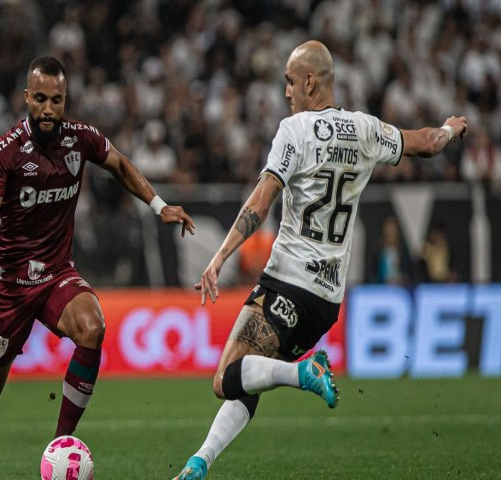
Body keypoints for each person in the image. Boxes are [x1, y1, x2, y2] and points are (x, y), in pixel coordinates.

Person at [173, 40, 467, 480]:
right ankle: (199, 464)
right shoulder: (366, 130)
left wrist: (220, 255)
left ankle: (303, 373)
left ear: (309, 81)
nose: (286, 92)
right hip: (326, 303)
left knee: (227, 377)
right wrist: (449, 127)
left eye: (290, 82)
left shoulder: (294, 130)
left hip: (286, 281)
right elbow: (426, 143)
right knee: (252, 376)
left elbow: (262, 199)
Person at [0, 56, 195, 480]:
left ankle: (60, 444)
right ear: (26, 97)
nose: (48, 108)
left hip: (57, 273)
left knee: (93, 327)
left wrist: (159, 206)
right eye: (40, 99)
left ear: (66, 100)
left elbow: (117, 163)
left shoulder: (80, 139)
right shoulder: (6, 152)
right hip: (11, 285)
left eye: (57, 100)